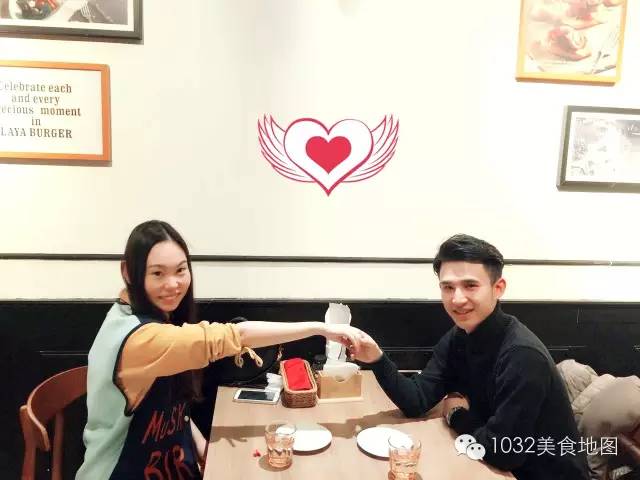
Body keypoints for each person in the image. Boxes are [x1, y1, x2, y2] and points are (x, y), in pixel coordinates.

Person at [76, 220, 365, 479]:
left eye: (180, 270)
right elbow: (234, 336)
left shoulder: (153, 320)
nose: (173, 284)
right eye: (157, 273)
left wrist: (204, 450)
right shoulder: (139, 338)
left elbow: (172, 409)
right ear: (128, 272)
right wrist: (321, 328)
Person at [353, 234, 589, 480]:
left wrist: (456, 415)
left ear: (498, 288)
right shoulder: (460, 336)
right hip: (492, 467)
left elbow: (503, 452)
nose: (457, 299)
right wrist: (377, 359)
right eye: (448, 287)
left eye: (470, 285)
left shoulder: (522, 355)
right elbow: (417, 400)